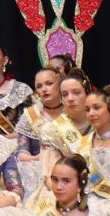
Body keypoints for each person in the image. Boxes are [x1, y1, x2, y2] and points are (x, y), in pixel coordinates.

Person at [10, 69, 86, 200]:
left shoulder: (72, 110)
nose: (44, 89)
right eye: (39, 86)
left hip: (75, 168)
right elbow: (21, 152)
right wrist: (39, 158)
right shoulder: (30, 115)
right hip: (40, 171)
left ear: (59, 83)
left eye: (49, 84)